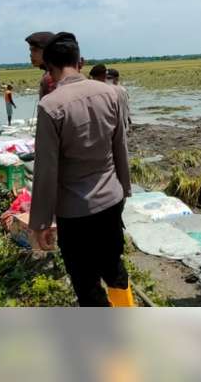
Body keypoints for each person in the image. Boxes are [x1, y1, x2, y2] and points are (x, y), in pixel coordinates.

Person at [29, 32, 134, 307]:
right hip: (111, 200)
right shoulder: (111, 93)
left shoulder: (50, 106)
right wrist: (125, 189)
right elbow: (120, 147)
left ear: (49, 66)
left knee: (86, 282)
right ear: (78, 61)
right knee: (114, 266)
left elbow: (46, 171)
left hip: (75, 211)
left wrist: (40, 223)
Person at [25, 31, 56, 98]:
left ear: (48, 51)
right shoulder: (54, 74)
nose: (31, 55)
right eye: (30, 51)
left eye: (35, 50)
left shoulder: (50, 78)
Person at [107, 68, 131, 133]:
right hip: (122, 124)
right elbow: (127, 106)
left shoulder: (110, 89)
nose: (107, 80)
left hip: (116, 125)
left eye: (109, 78)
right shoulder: (123, 89)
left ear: (116, 78)